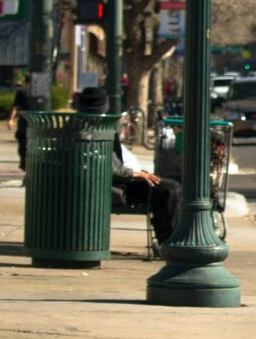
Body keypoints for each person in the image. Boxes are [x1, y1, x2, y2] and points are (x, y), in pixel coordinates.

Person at [76, 86, 181, 242]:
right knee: (170, 189)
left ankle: (168, 238)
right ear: (105, 107)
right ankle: (168, 241)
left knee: (164, 186)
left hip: (91, 184)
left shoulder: (71, 126)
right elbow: (110, 170)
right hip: (108, 187)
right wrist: (136, 174)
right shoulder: (100, 129)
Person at [8, 75, 31, 171]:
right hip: (33, 123)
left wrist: (11, 119)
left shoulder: (21, 92)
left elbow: (15, 107)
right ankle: (27, 164)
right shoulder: (40, 93)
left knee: (22, 143)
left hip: (23, 122)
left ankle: (24, 163)